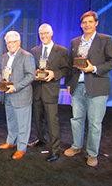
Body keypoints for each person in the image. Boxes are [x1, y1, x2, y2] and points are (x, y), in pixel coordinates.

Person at [64, 11, 112, 167]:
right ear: (81, 25)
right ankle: (76, 146)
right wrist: (69, 83)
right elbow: (70, 65)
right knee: (76, 120)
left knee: (95, 123)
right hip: (77, 87)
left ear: (96, 23)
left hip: (97, 87)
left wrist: (94, 68)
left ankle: (92, 153)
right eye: (84, 22)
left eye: (90, 22)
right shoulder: (75, 42)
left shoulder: (106, 40)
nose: (87, 25)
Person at [29, 23, 70, 162]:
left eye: (46, 33)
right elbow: (31, 68)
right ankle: (40, 139)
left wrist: (54, 73)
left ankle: (55, 150)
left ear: (51, 33)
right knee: (37, 119)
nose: (43, 35)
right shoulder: (34, 50)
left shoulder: (61, 50)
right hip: (36, 90)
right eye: (41, 33)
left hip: (50, 91)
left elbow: (66, 69)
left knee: (52, 122)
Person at [0, 31, 35, 160]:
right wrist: (0, 83)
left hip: (21, 95)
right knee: (11, 120)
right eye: (8, 42)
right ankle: (10, 142)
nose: (11, 44)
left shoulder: (27, 56)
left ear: (19, 42)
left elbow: (31, 75)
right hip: (7, 95)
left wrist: (16, 87)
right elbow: (0, 72)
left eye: (13, 42)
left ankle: (21, 148)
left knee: (23, 123)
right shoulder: (4, 57)